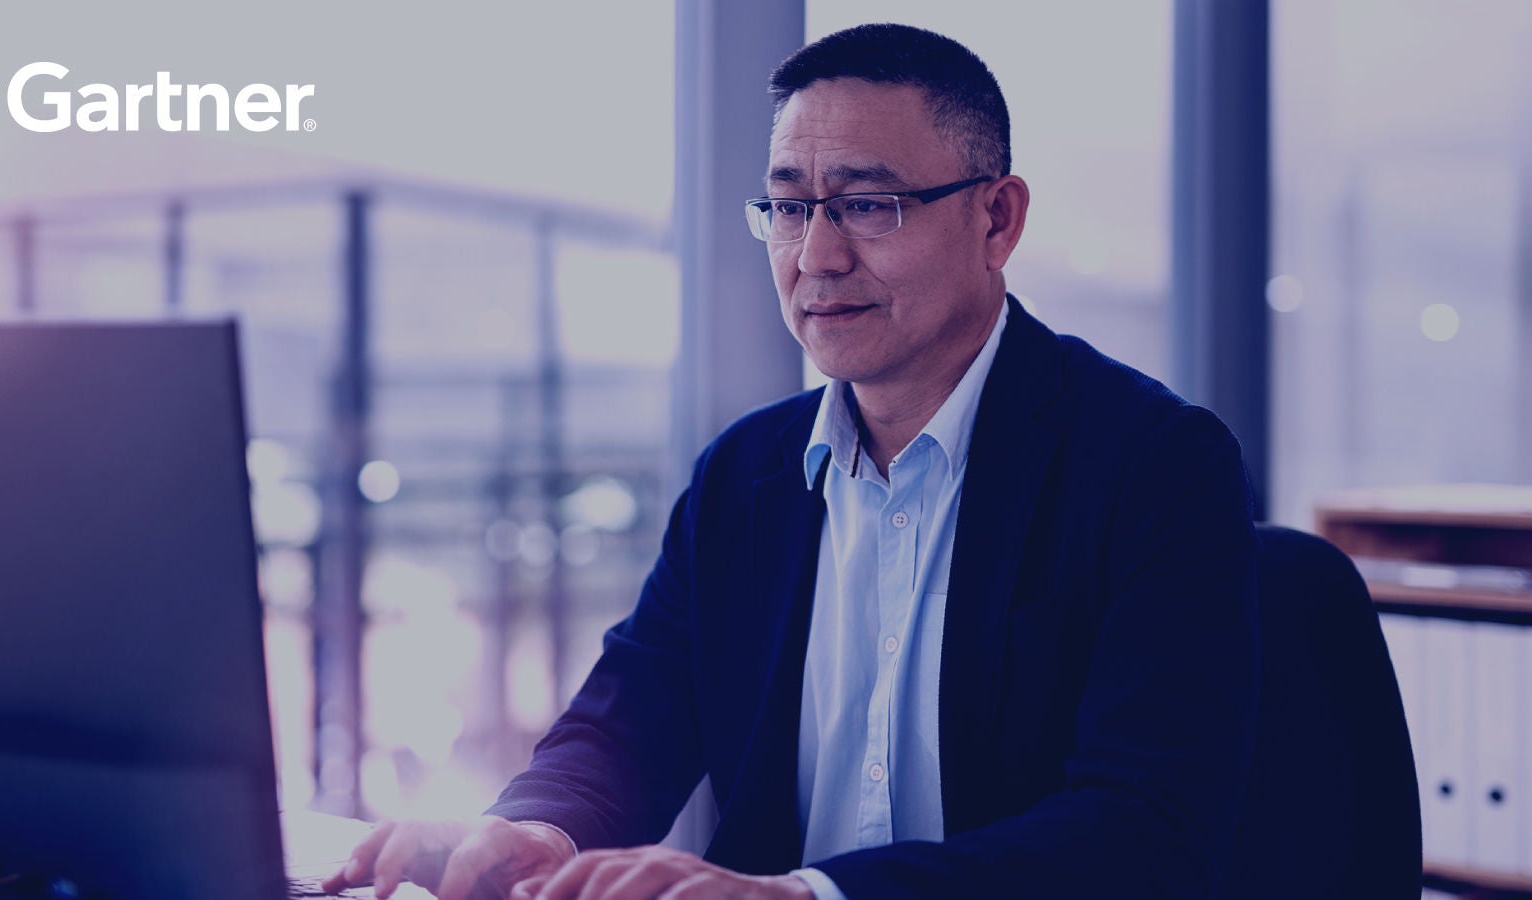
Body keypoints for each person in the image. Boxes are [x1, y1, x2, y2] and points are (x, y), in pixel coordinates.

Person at [325, 22, 1258, 900]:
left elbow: (1147, 831)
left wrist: (809, 895)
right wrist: (539, 826)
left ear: (997, 220)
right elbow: (628, 720)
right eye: (787, 206)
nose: (816, 254)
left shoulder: (1154, 466)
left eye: (867, 205)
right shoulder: (746, 475)